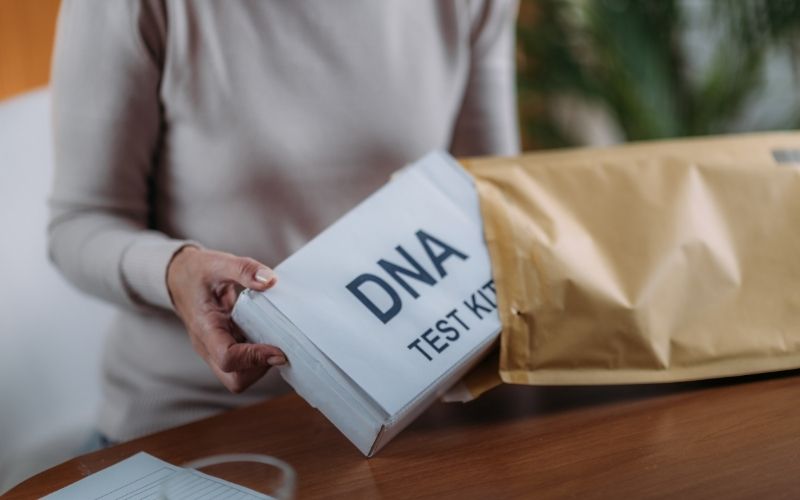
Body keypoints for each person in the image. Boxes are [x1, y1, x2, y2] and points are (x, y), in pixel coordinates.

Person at [49, 0, 519, 444]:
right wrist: (175, 271)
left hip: (413, 419)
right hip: (199, 424)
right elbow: (80, 222)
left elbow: (488, 202)